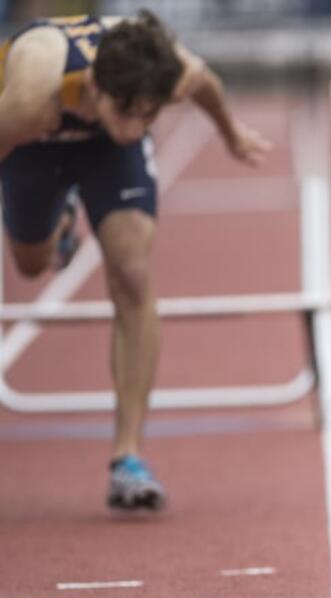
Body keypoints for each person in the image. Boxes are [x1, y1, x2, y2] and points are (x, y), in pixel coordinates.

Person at [0, 11, 271, 510]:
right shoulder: (28, 94)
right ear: (96, 88)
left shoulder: (160, 71)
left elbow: (203, 83)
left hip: (104, 156)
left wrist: (232, 134)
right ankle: (60, 228)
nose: (138, 127)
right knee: (31, 264)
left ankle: (128, 457)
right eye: (129, 112)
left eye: (150, 115)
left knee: (131, 273)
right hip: (31, 145)